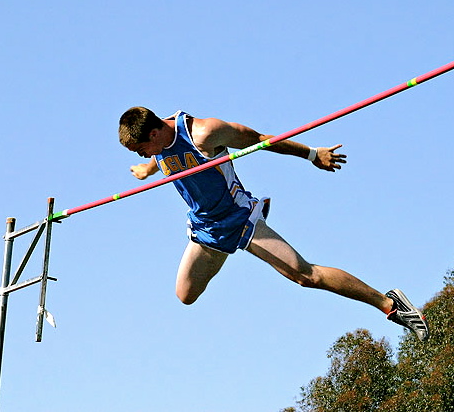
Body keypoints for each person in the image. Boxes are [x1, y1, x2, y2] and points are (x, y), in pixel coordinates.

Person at [118, 107, 428, 339]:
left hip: (239, 217)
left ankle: (389, 304)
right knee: (185, 295)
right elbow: (161, 155)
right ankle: (226, 245)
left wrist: (311, 155)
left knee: (306, 276)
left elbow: (260, 139)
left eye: (140, 149)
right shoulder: (157, 145)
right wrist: (148, 169)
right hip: (206, 227)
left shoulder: (204, 133)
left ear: (155, 133)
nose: (142, 154)